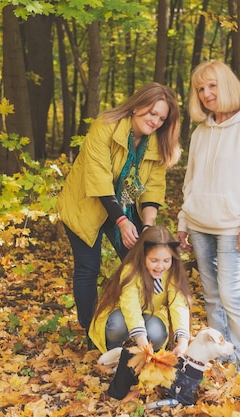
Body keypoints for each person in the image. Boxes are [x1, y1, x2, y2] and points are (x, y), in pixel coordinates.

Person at [57, 83, 181, 342]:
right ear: (136, 107)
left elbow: (154, 187)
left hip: (125, 203)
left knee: (142, 261)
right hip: (86, 203)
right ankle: (91, 332)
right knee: (88, 268)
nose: (155, 121)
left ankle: (145, 325)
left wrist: (146, 226)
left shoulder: (157, 142)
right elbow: (99, 179)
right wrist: (122, 222)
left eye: (161, 118)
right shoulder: (106, 125)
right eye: (151, 113)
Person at [176, 61, 240, 376]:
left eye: (212, 86)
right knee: (212, 297)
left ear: (226, 85)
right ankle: (223, 360)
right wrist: (183, 221)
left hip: (232, 228)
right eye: (200, 89)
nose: (205, 94)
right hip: (200, 225)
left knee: (231, 294)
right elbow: (191, 181)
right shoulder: (201, 131)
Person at [88, 225, 191, 356]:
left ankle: (152, 354)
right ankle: (113, 351)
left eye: (166, 260)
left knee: (156, 333)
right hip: (123, 312)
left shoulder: (172, 274)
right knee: (116, 326)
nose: (160, 266)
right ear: (142, 256)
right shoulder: (131, 271)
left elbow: (179, 305)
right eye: (154, 260)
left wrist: (182, 340)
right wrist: (140, 338)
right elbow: (130, 305)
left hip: (153, 313)